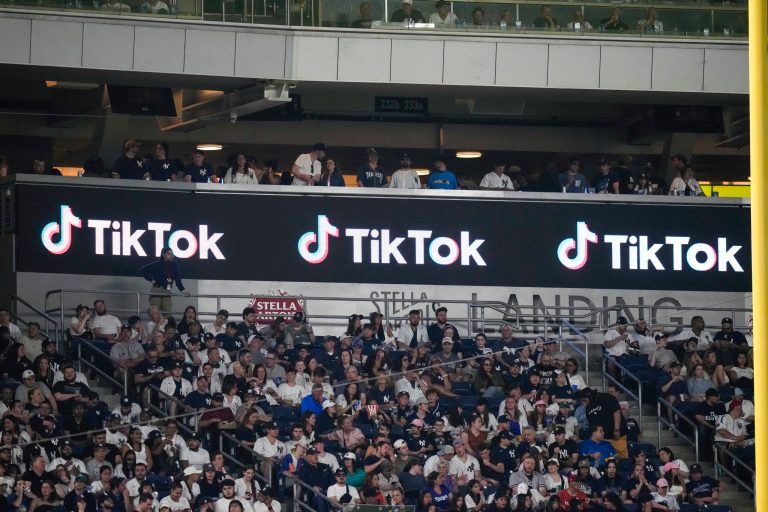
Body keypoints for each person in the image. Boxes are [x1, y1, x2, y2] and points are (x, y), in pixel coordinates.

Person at [139, 247, 190, 313]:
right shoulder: (157, 264)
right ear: (163, 255)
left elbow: (178, 279)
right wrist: (151, 279)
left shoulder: (174, 265)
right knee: (155, 313)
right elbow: (143, 269)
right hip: (156, 290)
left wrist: (183, 290)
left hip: (167, 290)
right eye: (169, 254)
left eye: (172, 254)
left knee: (168, 313)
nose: (171, 256)